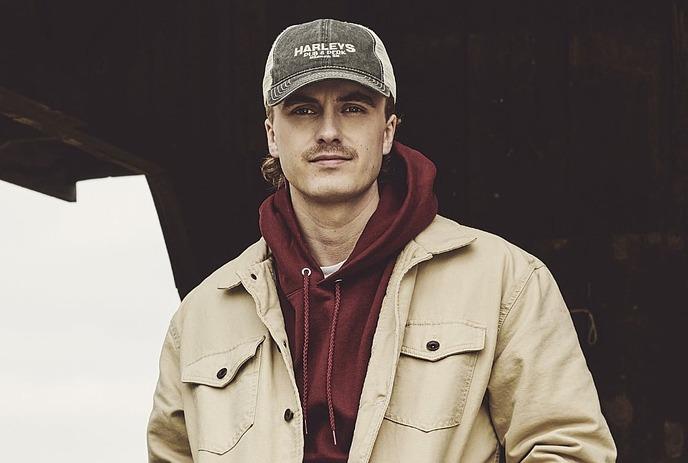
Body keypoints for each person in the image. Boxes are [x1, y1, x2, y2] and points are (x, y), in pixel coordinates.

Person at [147, 18, 616, 462]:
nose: (328, 131)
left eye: (353, 107)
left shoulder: (504, 281)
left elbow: (570, 449)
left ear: (387, 131)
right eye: (303, 110)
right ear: (272, 135)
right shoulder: (200, 318)